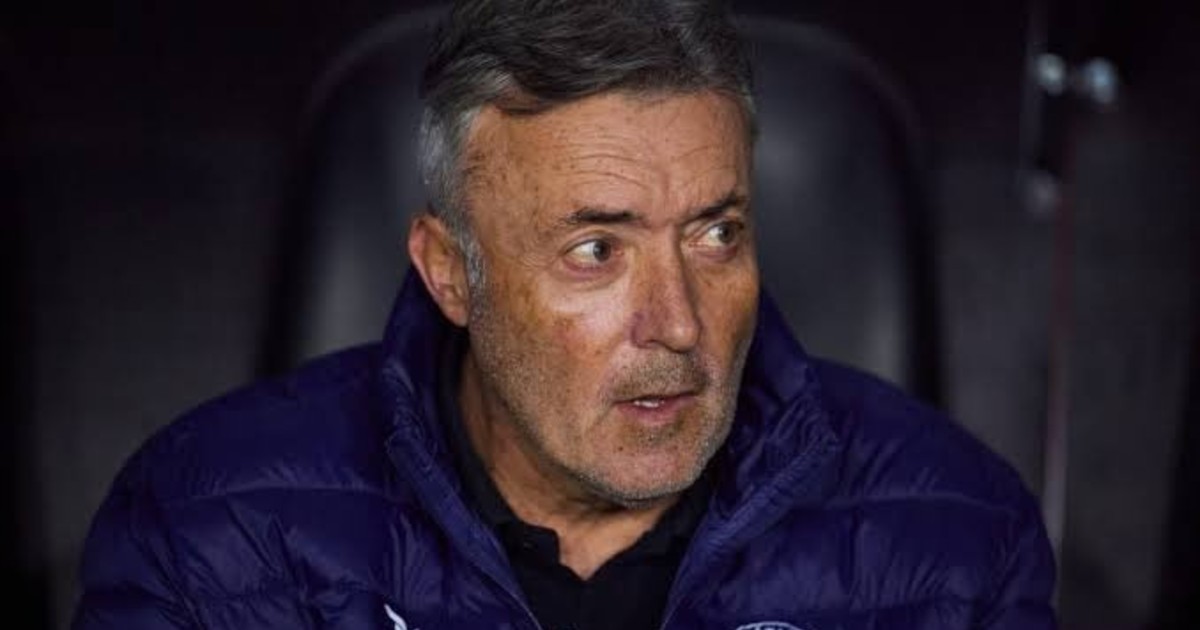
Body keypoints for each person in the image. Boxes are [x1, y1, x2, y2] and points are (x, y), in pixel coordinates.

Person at [73, 1, 1057, 628]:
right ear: (451, 274)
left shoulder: (961, 543)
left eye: (716, 234)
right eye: (596, 251)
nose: (678, 324)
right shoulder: (207, 532)